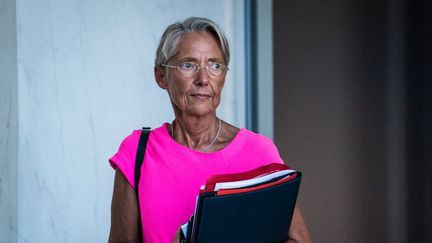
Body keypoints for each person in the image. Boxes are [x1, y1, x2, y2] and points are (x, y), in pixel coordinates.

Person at [108, 16, 311, 243]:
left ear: (223, 76)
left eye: (215, 65)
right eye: (188, 64)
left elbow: (299, 241)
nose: (203, 78)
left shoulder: (259, 151)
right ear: (161, 76)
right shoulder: (137, 152)